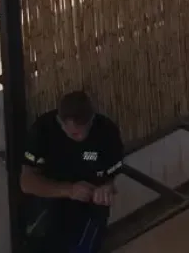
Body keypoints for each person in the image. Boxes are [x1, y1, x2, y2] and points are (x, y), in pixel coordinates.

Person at [21, 90, 124, 253]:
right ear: (60, 123)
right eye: (74, 133)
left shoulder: (106, 132)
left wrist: (105, 189)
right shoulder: (43, 131)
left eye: (86, 129)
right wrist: (69, 190)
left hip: (89, 208)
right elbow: (26, 182)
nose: (81, 136)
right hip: (49, 205)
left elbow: (111, 178)